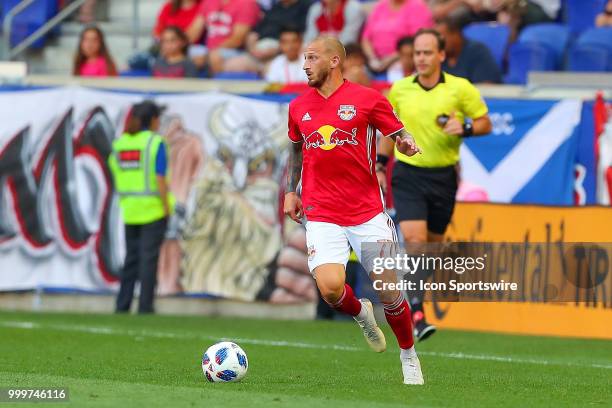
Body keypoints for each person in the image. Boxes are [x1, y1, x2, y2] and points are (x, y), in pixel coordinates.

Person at [284, 36, 425, 384]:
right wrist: (291, 191)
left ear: (334, 61)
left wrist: (406, 142)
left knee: (390, 291)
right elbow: (296, 151)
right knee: (331, 289)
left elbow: (398, 132)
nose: (305, 64)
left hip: (366, 212)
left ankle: (408, 353)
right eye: (304, 58)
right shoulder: (298, 107)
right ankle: (361, 313)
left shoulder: (367, 100)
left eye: (312, 57)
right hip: (321, 211)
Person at [378, 28, 492, 341]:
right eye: (417, 53)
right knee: (414, 241)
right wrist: (380, 165)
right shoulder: (399, 90)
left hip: (443, 177)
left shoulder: (460, 89)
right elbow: (390, 131)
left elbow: (486, 122)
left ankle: (413, 300)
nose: (421, 58)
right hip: (409, 175)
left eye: (428, 52)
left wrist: (466, 126)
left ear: (441, 55)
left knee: (431, 248)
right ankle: (415, 310)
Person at [108, 101, 172, 314]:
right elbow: (160, 177)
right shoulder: (154, 142)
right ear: (153, 120)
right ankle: (145, 306)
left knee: (131, 260)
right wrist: (166, 207)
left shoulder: (121, 143)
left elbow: (114, 170)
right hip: (153, 210)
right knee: (148, 261)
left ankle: (122, 304)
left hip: (129, 210)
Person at [186, 0, 261, 74]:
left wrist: (207, 55)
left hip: (236, 51)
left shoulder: (246, 3)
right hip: (209, 49)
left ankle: (214, 84)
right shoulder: (209, 2)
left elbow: (237, 40)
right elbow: (194, 32)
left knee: (215, 56)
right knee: (187, 52)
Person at [361, 0, 433, 73]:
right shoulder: (381, 6)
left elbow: (419, 40)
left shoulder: (417, 6)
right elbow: (366, 38)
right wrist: (373, 59)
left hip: (403, 63)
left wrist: (390, 59)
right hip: (374, 63)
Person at [436, 15, 502, 83]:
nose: (438, 43)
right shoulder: (438, 57)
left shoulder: (477, 52)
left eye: (442, 38)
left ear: (456, 35)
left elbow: (487, 85)